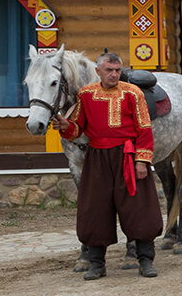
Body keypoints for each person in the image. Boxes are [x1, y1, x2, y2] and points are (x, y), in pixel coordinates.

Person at [53, 53, 162, 280]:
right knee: (95, 208)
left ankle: (145, 260)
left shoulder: (134, 93)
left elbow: (144, 128)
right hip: (97, 158)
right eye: (109, 70)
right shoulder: (86, 94)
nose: (113, 74)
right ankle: (96, 264)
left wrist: (142, 160)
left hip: (129, 157)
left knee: (139, 207)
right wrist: (66, 125)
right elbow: (77, 129)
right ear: (98, 71)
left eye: (117, 70)